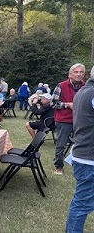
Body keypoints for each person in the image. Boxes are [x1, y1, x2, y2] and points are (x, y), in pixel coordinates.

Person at [66, 65, 94, 233]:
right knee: (82, 203)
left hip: (84, 154)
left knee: (82, 201)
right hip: (88, 157)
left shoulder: (84, 91)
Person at [52, 63, 86, 175]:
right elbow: (53, 103)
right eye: (76, 72)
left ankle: (80, 165)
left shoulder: (86, 87)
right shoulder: (61, 86)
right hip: (64, 120)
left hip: (80, 121)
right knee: (61, 144)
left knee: (82, 144)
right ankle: (58, 166)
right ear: (70, 74)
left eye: (81, 72)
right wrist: (67, 105)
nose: (78, 74)